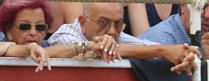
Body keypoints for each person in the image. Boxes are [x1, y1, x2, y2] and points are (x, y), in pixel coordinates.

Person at [47, 1, 198, 72]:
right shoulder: (66, 33)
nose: (112, 31)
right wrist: (161, 51)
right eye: (103, 23)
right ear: (82, 21)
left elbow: (146, 46)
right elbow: (87, 54)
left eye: (118, 24)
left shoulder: (117, 35)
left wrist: (182, 53)